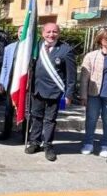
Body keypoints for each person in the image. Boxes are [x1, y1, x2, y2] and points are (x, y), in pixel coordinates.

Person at [25, 23, 76, 161]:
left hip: (55, 92)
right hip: (37, 90)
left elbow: (71, 76)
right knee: (35, 117)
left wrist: (69, 95)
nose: (51, 35)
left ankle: (48, 145)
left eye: (54, 32)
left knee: (50, 120)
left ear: (59, 33)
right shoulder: (37, 46)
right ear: (43, 33)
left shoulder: (66, 50)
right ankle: (34, 142)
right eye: (48, 32)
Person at [80, 28, 107, 158]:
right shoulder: (91, 56)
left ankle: (105, 145)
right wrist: (83, 95)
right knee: (91, 119)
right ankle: (88, 143)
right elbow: (84, 78)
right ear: (101, 40)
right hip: (93, 94)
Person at [0, 26, 24, 141]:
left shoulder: (31, 49)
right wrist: (1, 83)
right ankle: (6, 131)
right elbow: (4, 66)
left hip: (24, 83)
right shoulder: (9, 48)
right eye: (20, 32)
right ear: (17, 33)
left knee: (24, 109)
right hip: (11, 83)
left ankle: (25, 133)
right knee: (8, 109)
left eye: (24, 32)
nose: (21, 34)